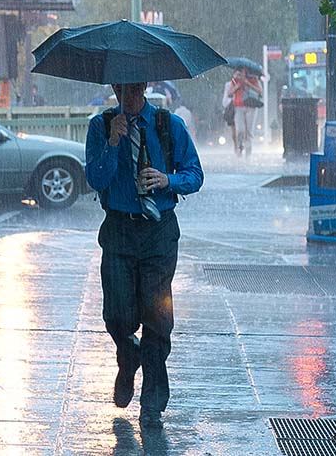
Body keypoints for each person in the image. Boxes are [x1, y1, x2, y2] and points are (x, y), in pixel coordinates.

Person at [85, 82, 204, 428]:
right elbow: (95, 179)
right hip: (119, 229)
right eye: (123, 89)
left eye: (136, 88)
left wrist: (168, 180)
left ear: (146, 86)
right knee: (117, 315)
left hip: (158, 231)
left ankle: (152, 403)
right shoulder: (101, 125)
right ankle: (128, 356)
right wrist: (112, 142)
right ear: (115, 88)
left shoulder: (169, 125)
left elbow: (195, 174)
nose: (130, 95)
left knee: (157, 318)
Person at [223, 68, 263, 157]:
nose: (241, 74)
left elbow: (260, 91)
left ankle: (248, 154)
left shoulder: (254, 79)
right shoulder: (235, 81)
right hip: (238, 106)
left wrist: (248, 83)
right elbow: (229, 94)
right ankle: (240, 146)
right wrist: (238, 86)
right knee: (240, 130)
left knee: (249, 132)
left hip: (251, 106)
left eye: (244, 72)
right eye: (240, 72)